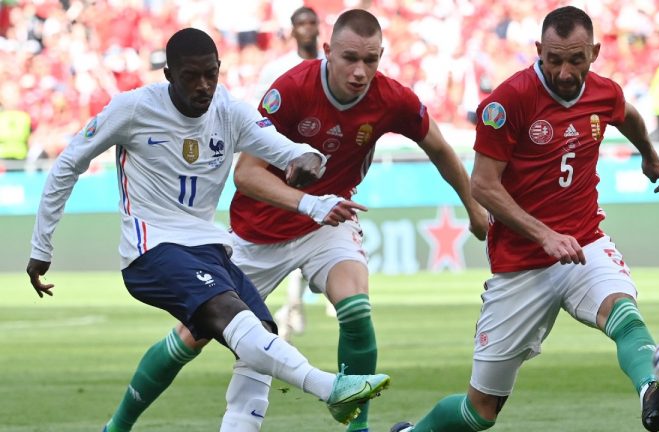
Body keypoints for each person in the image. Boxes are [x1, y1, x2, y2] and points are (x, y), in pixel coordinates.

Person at [106, 9, 488, 432]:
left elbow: (438, 146)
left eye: (371, 60)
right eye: (350, 59)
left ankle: (358, 428)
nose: (361, 72)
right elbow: (247, 174)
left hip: (328, 224)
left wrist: (472, 207)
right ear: (327, 52)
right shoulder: (290, 90)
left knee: (357, 308)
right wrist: (307, 201)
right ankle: (118, 425)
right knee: (189, 339)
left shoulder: (393, 98)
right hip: (259, 232)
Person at [23, 27, 389, 432]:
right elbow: (67, 164)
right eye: (191, 76)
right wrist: (42, 245)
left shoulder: (229, 111)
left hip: (209, 248)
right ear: (168, 75)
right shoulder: (131, 109)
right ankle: (330, 389)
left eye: (211, 74)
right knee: (238, 320)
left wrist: (310, 160)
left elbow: (290, 149)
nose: (203, 86)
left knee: (261, 338)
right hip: (151, 248)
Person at [390, 6, 659, 432]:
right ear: (539, 50)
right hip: (521, 263)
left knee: (623, 311)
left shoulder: (603, 93)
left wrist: (649, 154)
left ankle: (652, 389)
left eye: (576, 60)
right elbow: (482, 185)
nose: (564, 71)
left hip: (584, 242)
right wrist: (544, 235)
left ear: (594, 53)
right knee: (480, 412)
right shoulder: (507, 102)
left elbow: (628, 115)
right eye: (554, 59)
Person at [253, 5, 328, 342]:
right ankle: (290, 305)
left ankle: (300, 301)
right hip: (287, 164)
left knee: (320, 227)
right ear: (292, 29)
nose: (308, 28)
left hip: (328, 161)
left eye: (313, 22)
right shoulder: (276, 69)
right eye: (302, 23)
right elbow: (259, 118)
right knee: (291, 230)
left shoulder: (333, 67)